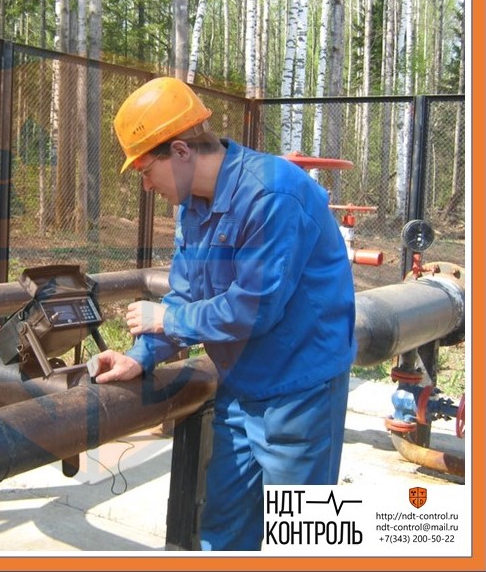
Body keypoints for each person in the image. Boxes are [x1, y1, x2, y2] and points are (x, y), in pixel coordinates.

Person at [88, 76, 357, 551]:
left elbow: (253, 309)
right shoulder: (194, 206)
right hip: (240, 384)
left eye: (145, 170)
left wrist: (164, 321)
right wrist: (141, 355)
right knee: (224, 530)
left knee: (300, 538)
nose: (146, 186)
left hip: (300, 394)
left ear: (180, 151)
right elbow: (186, 291)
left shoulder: (272, 195)